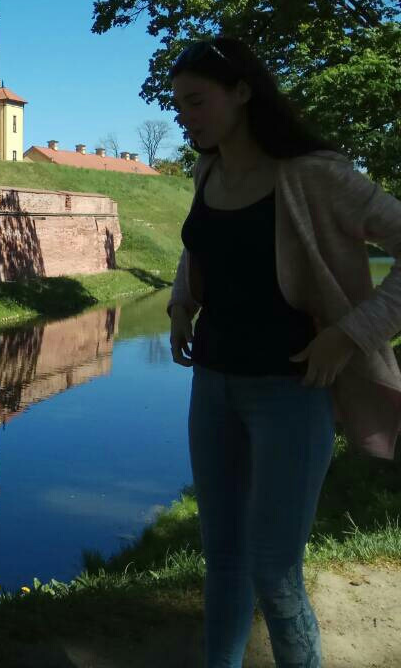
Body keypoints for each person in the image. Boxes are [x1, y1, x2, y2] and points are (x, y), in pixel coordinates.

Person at [167, 36, 401, 667]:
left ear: (242, 91)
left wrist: (350, 332)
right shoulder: (207, 168)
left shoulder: (313, 174)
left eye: (196, 101)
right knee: (223, 563)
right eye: (177, 104)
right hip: (212, 385)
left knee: (274, 571)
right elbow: (200, 243)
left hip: (290, 393)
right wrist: (180, 301)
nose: (183, 115)